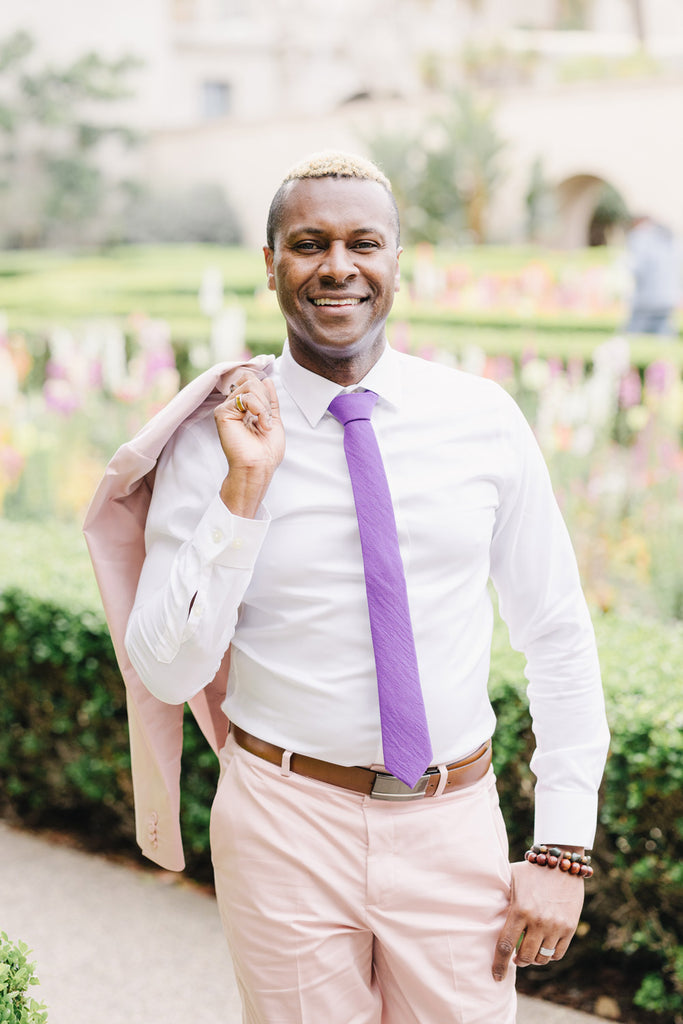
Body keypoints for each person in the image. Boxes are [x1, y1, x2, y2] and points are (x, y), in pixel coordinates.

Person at [112, 151, 609, 1023]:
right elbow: (165, 667)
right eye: (308, 244)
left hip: (452, 825)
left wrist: (562, 846)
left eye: (362, 243)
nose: (336, 267)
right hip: (283, 821)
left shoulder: (480, 419)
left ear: (394, 263)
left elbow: (557, 633)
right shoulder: (214, 441)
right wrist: (244, 490)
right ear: (270, 264)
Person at [624, 215, 681, 337]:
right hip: (667, 297)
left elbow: (638, 269)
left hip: (646, 299)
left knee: (631, 337)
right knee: (663, 337)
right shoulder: (669, 237)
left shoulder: (640, 237)